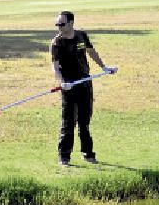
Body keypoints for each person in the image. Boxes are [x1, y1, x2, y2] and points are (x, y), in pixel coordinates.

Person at [50, 11, 117, 166]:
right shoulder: (56, 43)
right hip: (69, 86)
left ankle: (88, 154)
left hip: (85, 84)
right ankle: (64, 158)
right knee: (68, 123)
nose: (59, 27)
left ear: (71, 23)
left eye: (62, 24)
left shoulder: (81, 36)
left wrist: (104, 67)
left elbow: (91, 51)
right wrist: (62, 83)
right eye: (57, 24)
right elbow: (55, 67)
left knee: (84, 122)